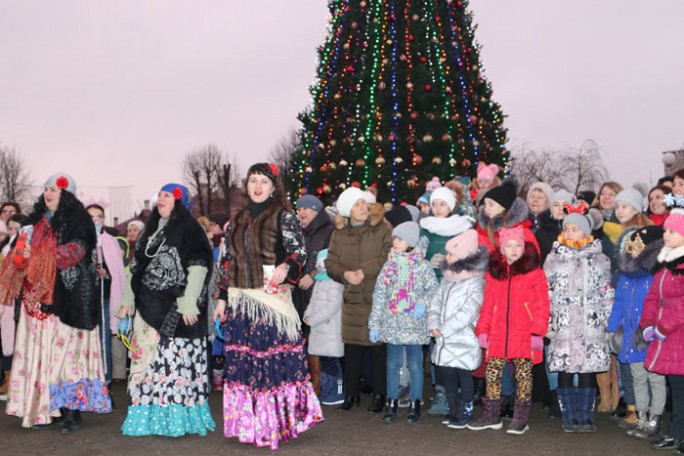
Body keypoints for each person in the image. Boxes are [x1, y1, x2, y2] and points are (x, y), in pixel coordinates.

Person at [213, 163, 322, 449]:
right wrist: (221, 298)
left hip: (271, 302)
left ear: (274, 186)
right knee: (244, 365)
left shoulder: (283, 217)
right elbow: (227, 261)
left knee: (269, 364)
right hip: (240, 302)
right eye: (253, 181)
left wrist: (287, 266)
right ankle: (249, 423)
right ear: (246, 185)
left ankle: (276, 422)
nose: (258, 186)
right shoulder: (236, 220)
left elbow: (299, 251)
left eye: (263, 181)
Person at [0, 172, 111, 431]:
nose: (48, 194)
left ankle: (72, 411)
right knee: (44, 357)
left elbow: (76, 251)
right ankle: (50, 407)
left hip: (68, 300)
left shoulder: (78, 220)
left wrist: (37, 256)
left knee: (68, 357)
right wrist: (21, 255)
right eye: (46, 189)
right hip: (35, 302)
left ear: (67, 194)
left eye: (54, 190)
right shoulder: (34, 221)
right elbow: (19, 252)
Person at [117, 183, 215, 437]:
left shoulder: (190, 230)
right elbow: (136, 269)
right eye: (159, 195)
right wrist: (128, 300)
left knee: (172, 365)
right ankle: (147, 418)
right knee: (144, 363)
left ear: (180, 201)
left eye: (167, 195)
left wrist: (189, 302)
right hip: (147, 310)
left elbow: (198, 266)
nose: (160, 199)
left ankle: (175, 419)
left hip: (176, 310)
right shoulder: (149, 232)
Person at [467, 226, 550, 435]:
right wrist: (483, 330)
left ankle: (520, 418)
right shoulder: (495, 273)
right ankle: (491, 415)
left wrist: (537, 332)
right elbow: (487, 305)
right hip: (498, 333)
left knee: (523, 376)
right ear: (502, 249)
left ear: (523, 248)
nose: (513, 250)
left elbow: (542, 305)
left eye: (517, 246)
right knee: (493, 374)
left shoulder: (535, 273)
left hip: (524, 333)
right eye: (509, 246)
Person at [545, 203, 614, 433]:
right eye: (567, 228)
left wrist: (608, 323)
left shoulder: (599, 259)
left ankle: (586, 416)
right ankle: (569, 415)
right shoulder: (554, 259)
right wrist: (547, 320)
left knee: (587, 371)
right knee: (565, 371)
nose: (570, 232)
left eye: (575, 228)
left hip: (590, 322)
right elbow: (547, 290)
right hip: (563, 323)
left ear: (586, 231)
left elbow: (606, 291)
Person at [325, 186, 392, 413]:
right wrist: (345, 274)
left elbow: (390, 256)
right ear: (346, 210)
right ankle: (350, 394)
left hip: (377, 295)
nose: (363, 207)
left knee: (378, 349)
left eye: (364, 202)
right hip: (352, 297)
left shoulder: (382, 227)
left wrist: (364, 270)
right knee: (352, 348)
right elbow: (330, 263)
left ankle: (379, 394)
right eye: (357, 204)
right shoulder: (338, 234)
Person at [369, 221, 438, 424]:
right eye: (394, 239)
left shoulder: (422, 266)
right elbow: (379, 295)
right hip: (392, 323)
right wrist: (375, 324)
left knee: (416, 364)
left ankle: (416, 401)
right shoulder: (389, 265)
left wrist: (423, 303)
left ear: (410, 242)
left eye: (399, 239)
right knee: (393, 363)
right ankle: (392, 401)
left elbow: (433, 289)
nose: (395, 242)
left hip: (414, 325)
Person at [607, 225, 667, 440]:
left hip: (651, 337)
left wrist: (658, 330)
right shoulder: (625, 277)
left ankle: (655, 417)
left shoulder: (656, 276)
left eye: (639, 246)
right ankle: (642, 417)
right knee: (638, 377)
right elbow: (618, 305)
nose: (633, 250)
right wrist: (612, 330)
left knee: (655, 378)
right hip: (631, 336)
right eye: (631, 246)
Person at [427, 229, 488, 429]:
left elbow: (469, 311)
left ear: (463, 257)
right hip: (444, 338)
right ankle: (453, 409)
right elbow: (436, 301)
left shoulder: (475, 281)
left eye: (451, 254)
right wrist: (433, 323)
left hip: (463, 337)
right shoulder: (447, 278)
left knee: (464, 374)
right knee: (448, 374)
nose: (447, 257)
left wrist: (444, 328)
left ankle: (466, 410)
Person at [419, 186, 472, 415]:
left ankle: (460, 392)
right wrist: (428, 260)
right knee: (436, 344)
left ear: (451, 206)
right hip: (432, 291)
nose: (438, 208)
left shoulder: (462, 227)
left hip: (456, 291)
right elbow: (417, 255)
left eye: (443, 204)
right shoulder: (426, 229)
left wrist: (451, 263)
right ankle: (441, 392)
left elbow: (470, 258)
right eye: (435, 204)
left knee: (456, 342)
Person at [640, 199, 684, 454]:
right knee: (676, 388)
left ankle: (679, 434)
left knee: (680, 389)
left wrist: (663, 327)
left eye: (671, 231)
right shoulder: (666, 264)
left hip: (676, 334)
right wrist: (647, 324)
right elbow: (653, 297)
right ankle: (676, 433)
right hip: (668, 337)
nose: (665, 235)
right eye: (666, 230)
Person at [293, 194, 334, 395]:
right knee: (299, 337)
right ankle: (303, 382)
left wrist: (312, 275)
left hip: (319, 291)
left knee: (317, 339)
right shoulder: (297, 231)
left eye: (306, 209)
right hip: (297, 292)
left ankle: (319, 385)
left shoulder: (329, 231)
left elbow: (331, 259)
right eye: (299, 209)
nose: (301, 212)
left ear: (317, 211)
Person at [85, 203, 127, 386]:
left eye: (99, 216)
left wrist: (106, 273)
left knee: (103, 338)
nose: (96, 220)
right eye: (91, 216)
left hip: (104, 297)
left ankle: (105, 377)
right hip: (85, 297)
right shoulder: (78, 239)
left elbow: (117, 272)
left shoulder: (109, 241)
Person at [304, 249, 345, 405]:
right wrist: (307, 316)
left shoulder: (334, 283)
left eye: (321, 262)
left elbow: (332, 306)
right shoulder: (320, 282)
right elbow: (313, 303)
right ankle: (326, 390)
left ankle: (336, 392)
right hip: (319, 329)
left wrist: (313, 319)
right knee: (324, 360)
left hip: (330, 329)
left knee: (331, 361)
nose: (317, 265)